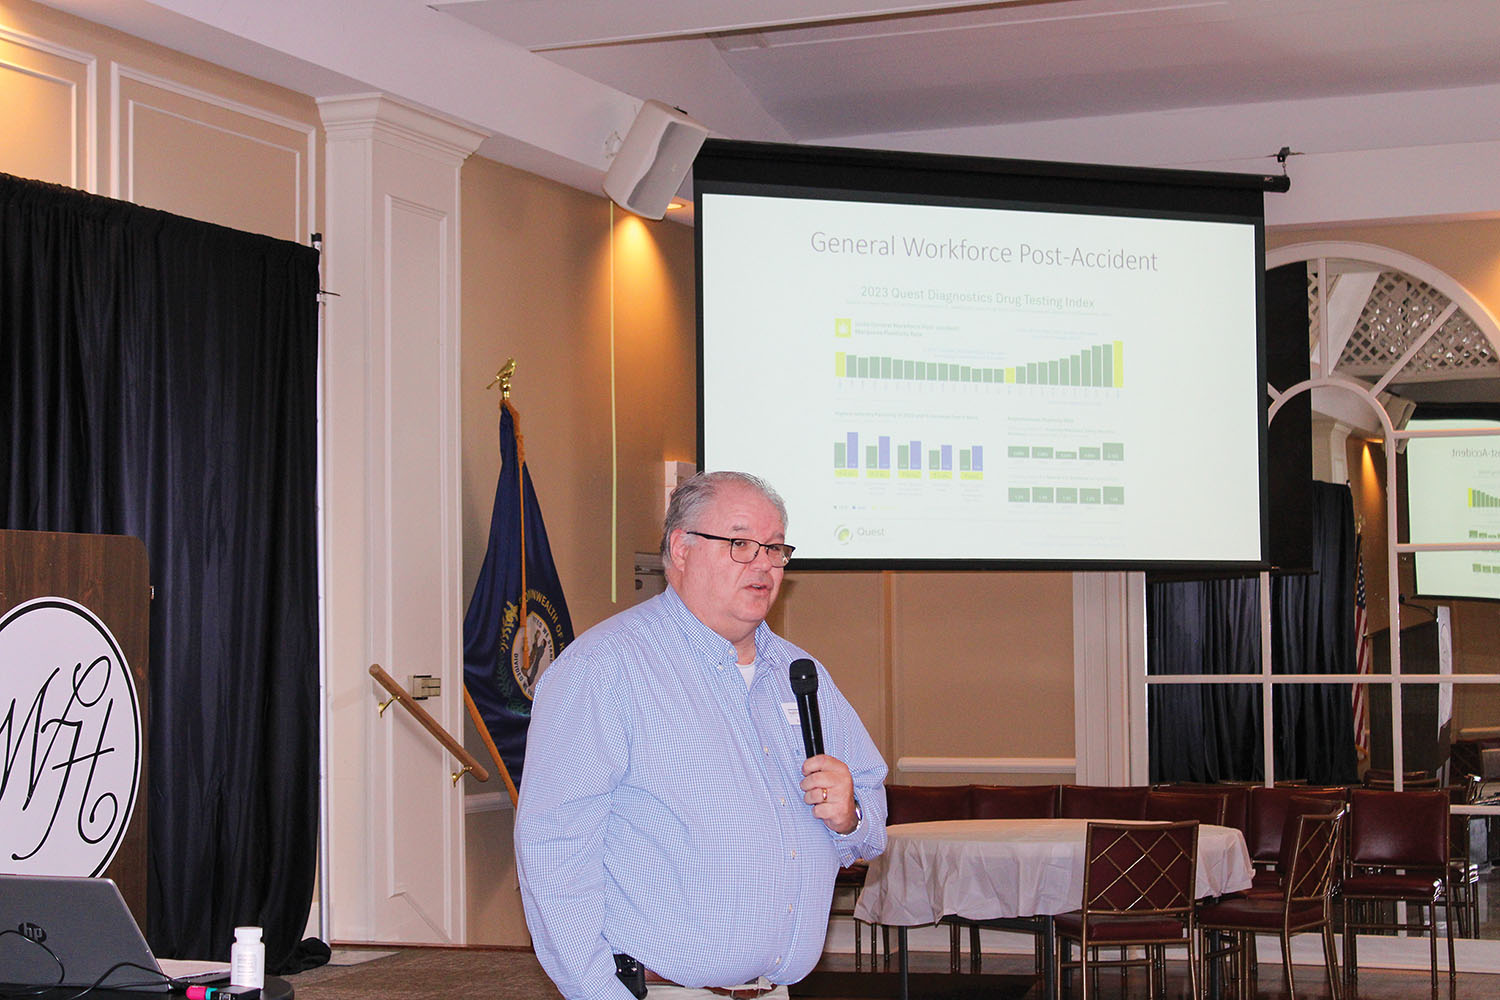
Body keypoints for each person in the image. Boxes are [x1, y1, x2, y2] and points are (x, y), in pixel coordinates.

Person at [515, 471, 888, 1000]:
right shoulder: (605, 669)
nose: (763, 563)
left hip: (773, 989)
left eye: (775, 547)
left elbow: (870, 822)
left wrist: (850, 815)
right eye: (740, 544)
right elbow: (553, 848)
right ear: (682, 549)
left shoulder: (800, 673)